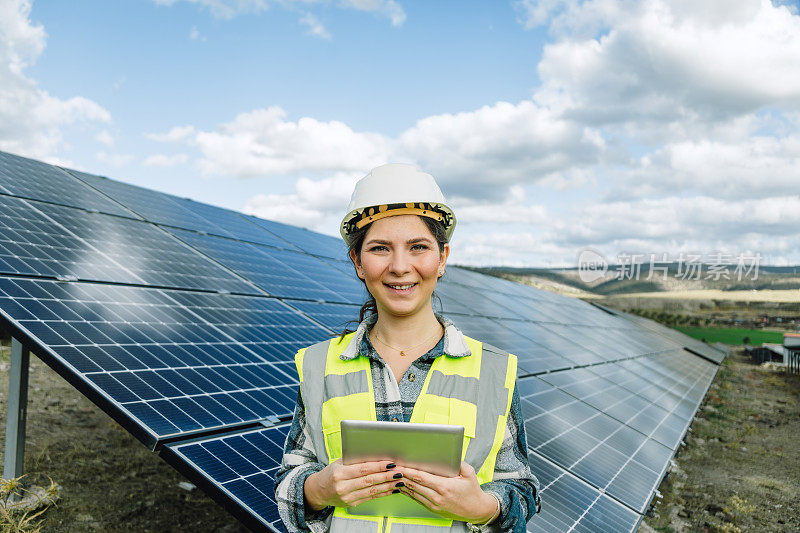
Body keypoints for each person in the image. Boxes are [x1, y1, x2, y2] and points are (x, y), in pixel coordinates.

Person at [275, 164, 540, 532]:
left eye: (418, 247)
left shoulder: (494, 371)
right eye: (380, 249)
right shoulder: (319, 365)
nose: (400, 267)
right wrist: (318, 489)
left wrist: (483, 507)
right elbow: (292, 474)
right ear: (358, 263)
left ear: (442, 257)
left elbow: (522, 490)